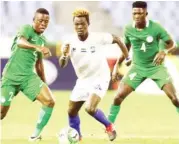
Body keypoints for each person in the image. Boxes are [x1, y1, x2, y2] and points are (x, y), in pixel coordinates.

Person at [59, 8, 130, 141]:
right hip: (83, 80)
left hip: (100, 77)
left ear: (88, 24)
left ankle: (109, 126)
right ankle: (77, 137)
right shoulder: (69, 42)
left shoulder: (98, 37)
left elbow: (118, 39)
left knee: (90, 108)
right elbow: (62, 64)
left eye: (82, 24)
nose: (79, 27)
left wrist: (127, 57)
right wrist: (63, 54)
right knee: (71, 111)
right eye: (76, 24)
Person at [108, 1, 179, 126]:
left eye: (140, 13)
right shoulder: (128, 29)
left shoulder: (156, 27)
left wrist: (164, 51)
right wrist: (116, 66)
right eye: (134, 13)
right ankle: (109, 126)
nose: (137, 16)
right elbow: (126, 48)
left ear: (146, 13)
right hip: (138, 68)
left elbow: (172, 43)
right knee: (118, 96)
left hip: (156, 68)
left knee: (174, 98)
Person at [0, 8, 55, 141]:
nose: (43, 24)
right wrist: (37, 47)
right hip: (11, 76)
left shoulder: (42, 39)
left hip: (28, 78)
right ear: (33, 20)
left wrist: (43, 83)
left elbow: (39, 64)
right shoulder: (26, 29)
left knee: (49, 101)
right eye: (40, 20)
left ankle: (34, 135)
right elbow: (20, 42)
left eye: (46, 22)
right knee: (1, 113)